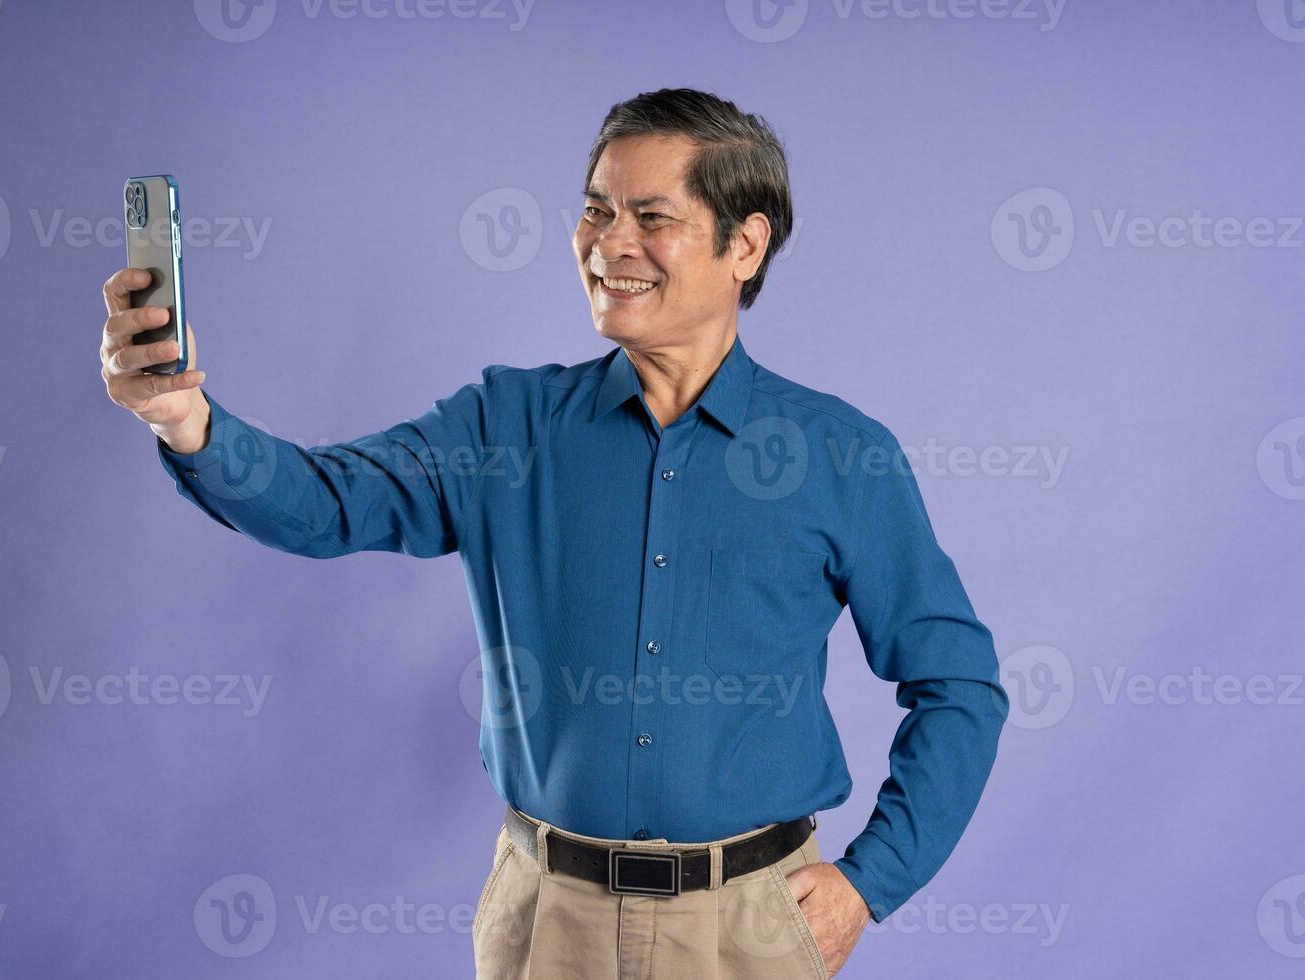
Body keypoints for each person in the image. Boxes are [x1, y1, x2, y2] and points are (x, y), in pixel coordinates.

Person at [98, 87, 1007, 978]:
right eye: (594, 211)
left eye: (651, 216)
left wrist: (867, 884)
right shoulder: (508, 424)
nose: (610, 243)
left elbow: (958, 686)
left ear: (746, 243)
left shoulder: (840, 455)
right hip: (546, 926)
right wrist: (188, 423)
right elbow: (329, 499)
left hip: (752, 933)